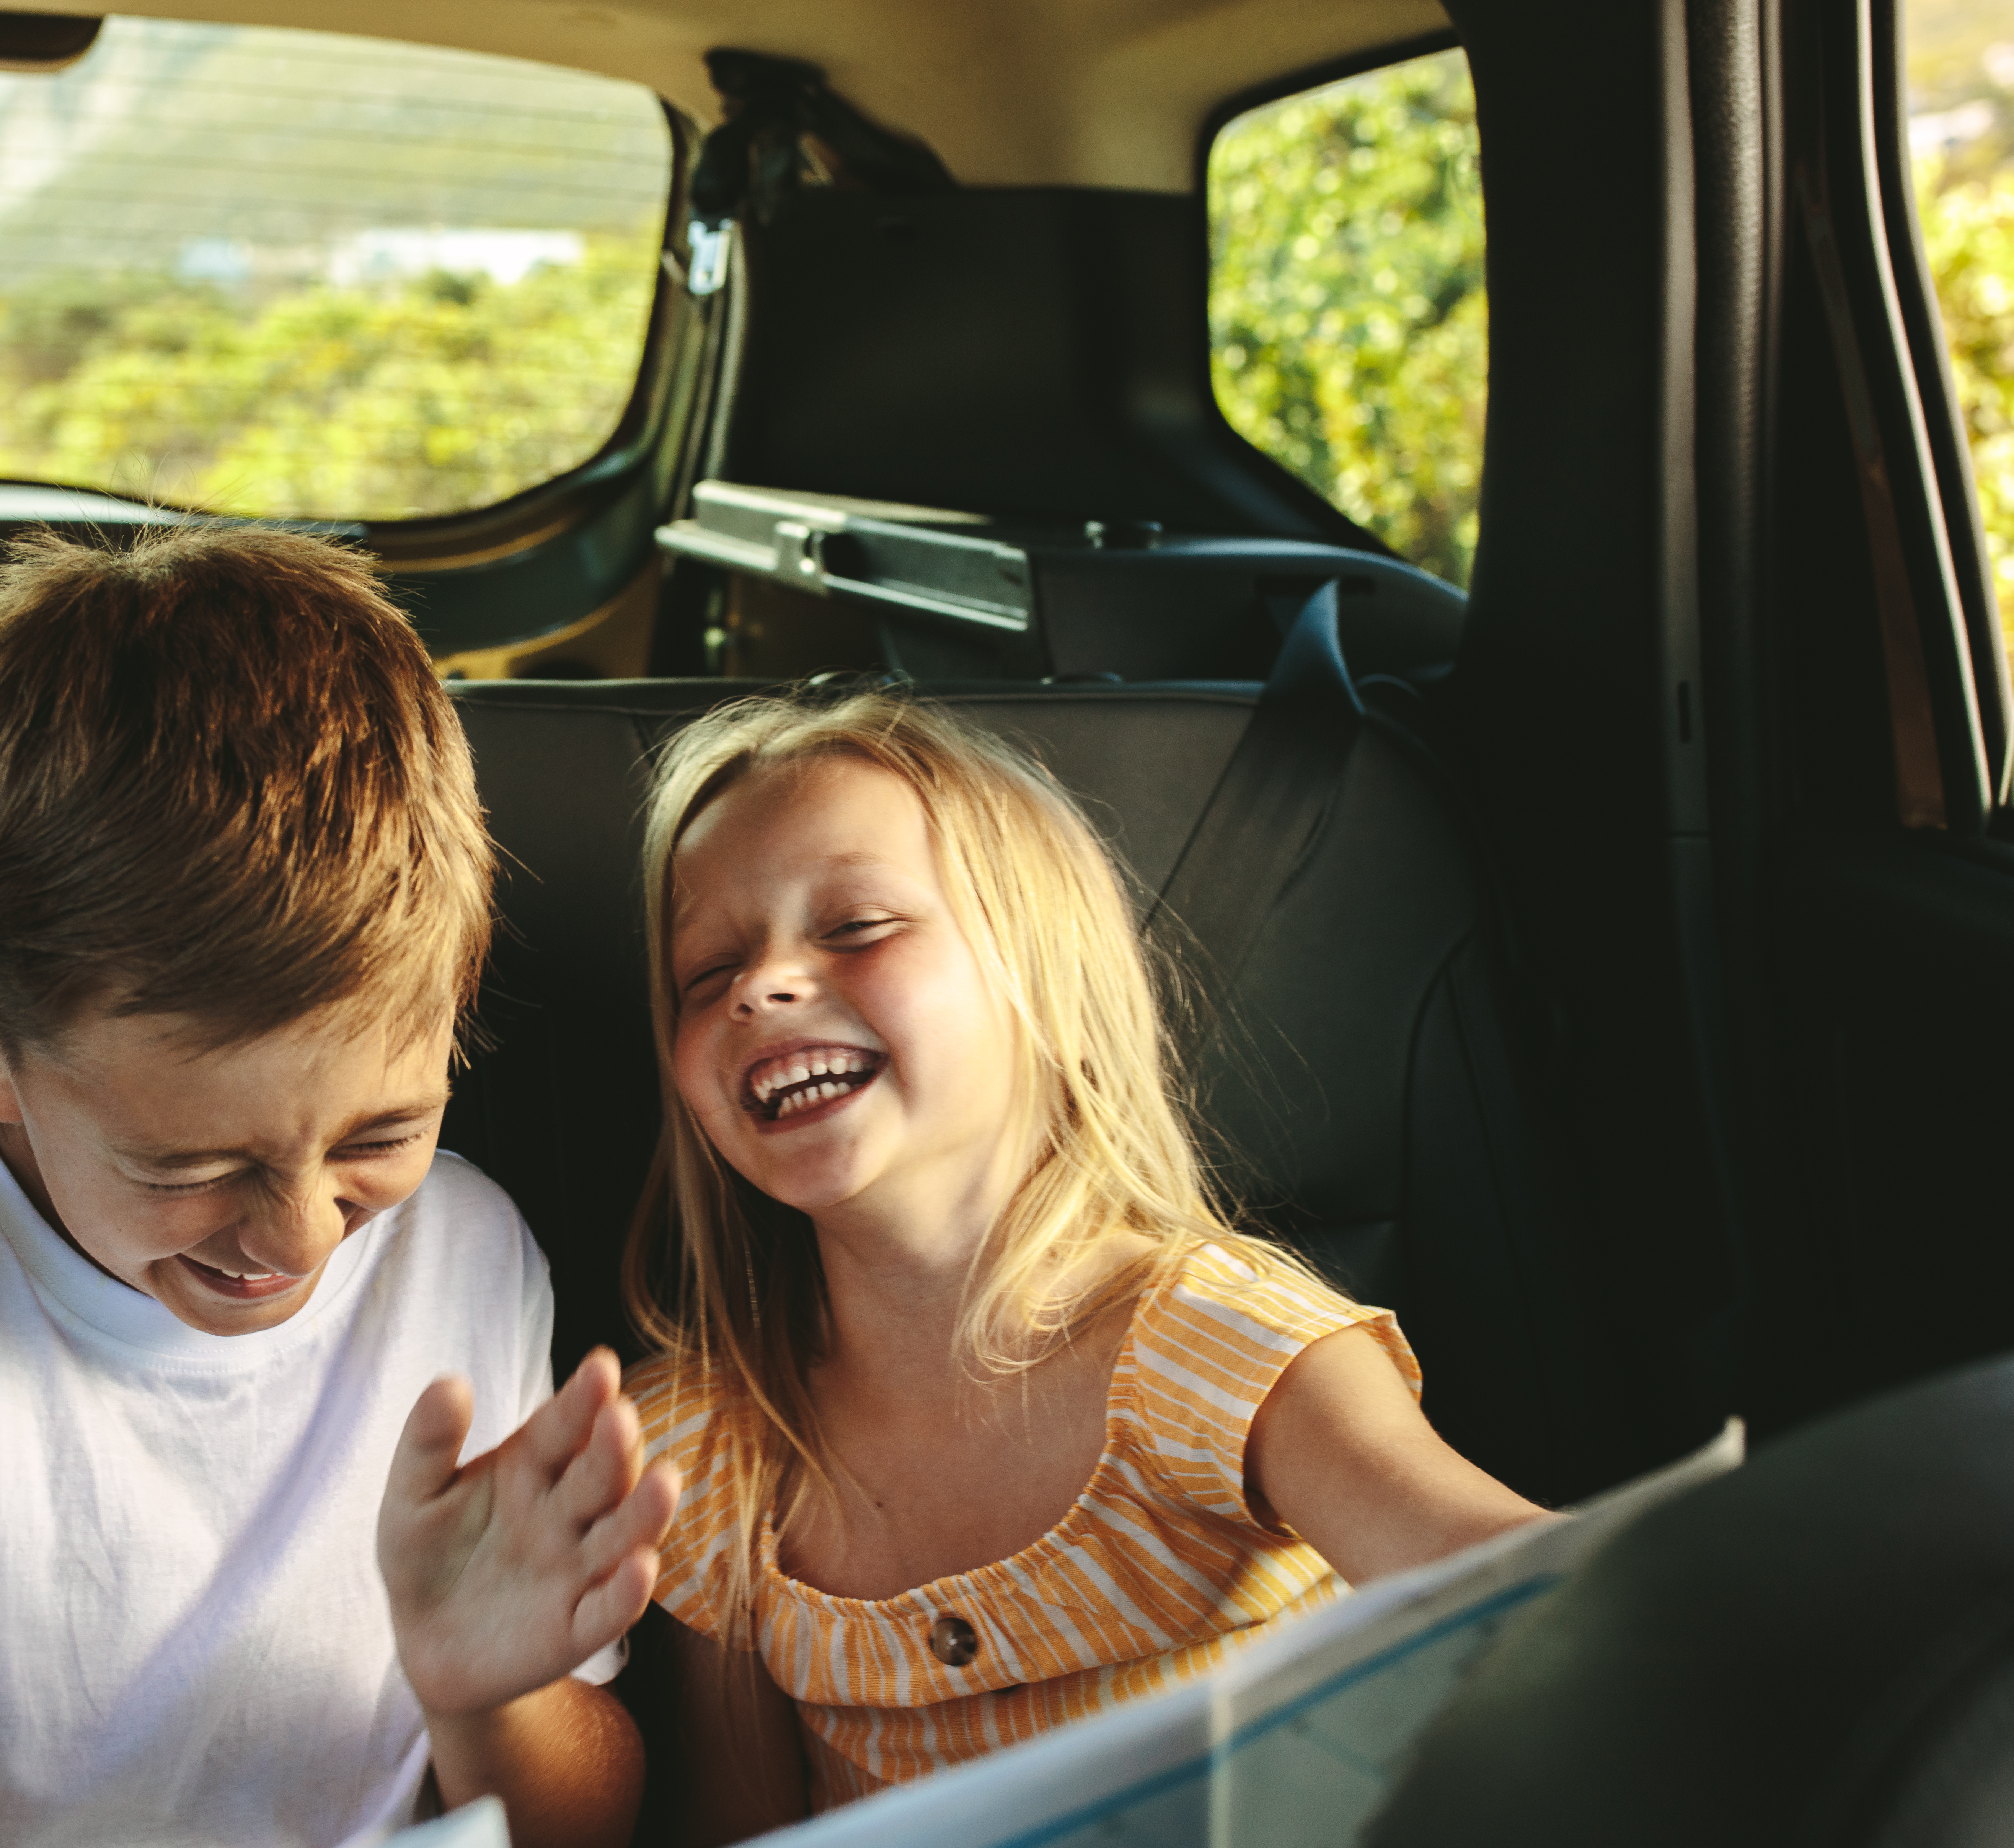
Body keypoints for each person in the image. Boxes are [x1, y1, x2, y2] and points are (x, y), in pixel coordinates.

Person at [0, 525, 678, 1848]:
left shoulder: (463, 1251)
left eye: (378, 1135)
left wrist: (484, 1696)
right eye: (191, 1166)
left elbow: (580, 1827)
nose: (300, 1236)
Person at [622, 687, 1546, 1837]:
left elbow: (1534, 1604)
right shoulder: (709, 1452)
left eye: (857, 927)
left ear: (1041, 983)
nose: (760, 985)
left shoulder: (1213, 1344)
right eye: (706, 974)